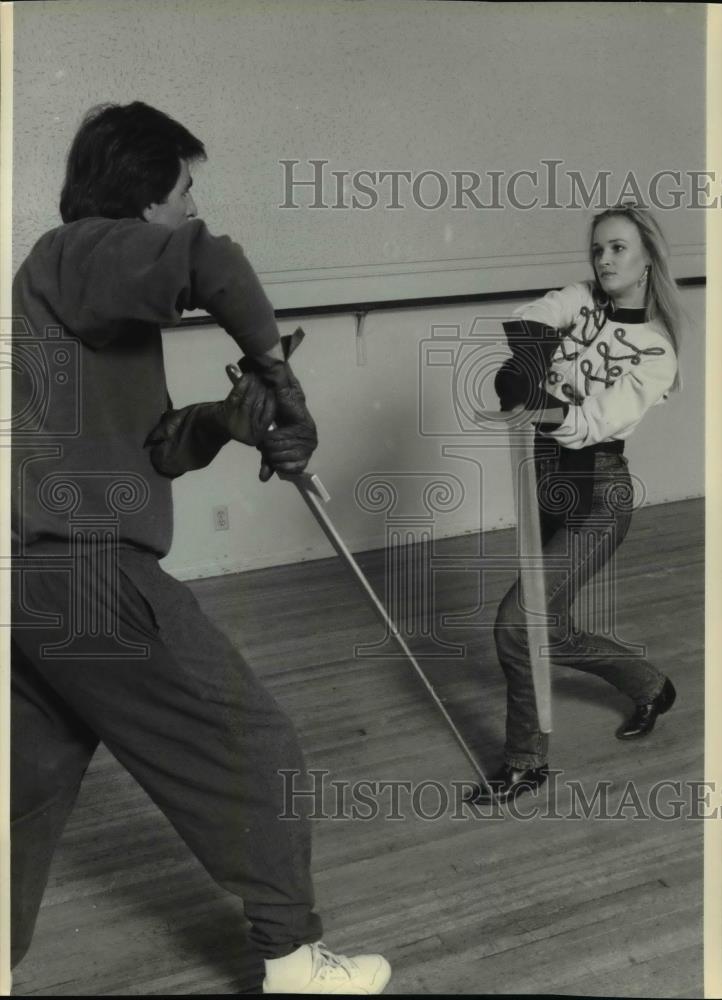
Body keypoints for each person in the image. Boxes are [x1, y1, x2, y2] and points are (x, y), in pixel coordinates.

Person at [10, 101, 391, 995]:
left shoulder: (84, 293)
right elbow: (214, 261)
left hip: (40, 585)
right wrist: (277, 374)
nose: (192, 209)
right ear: (143, 201)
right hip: (92, 571)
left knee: (25, 791)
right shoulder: (82, 250)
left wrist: (229, 420)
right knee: (257, 741)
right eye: (184, 191)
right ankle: (294, 960)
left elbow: (153, 449)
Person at [468, 203, 682, 804]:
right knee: (548, 625)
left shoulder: (657, 350)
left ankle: (525, 762)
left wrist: (535, 399)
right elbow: (532, 318)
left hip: (599, 492)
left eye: (618, 248)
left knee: (518, 626)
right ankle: (650, 684)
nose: (605, 259)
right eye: (598, 249)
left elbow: (592, 424)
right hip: (546, 474)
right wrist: (527, 372)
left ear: (647, 261)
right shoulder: (580, 298)